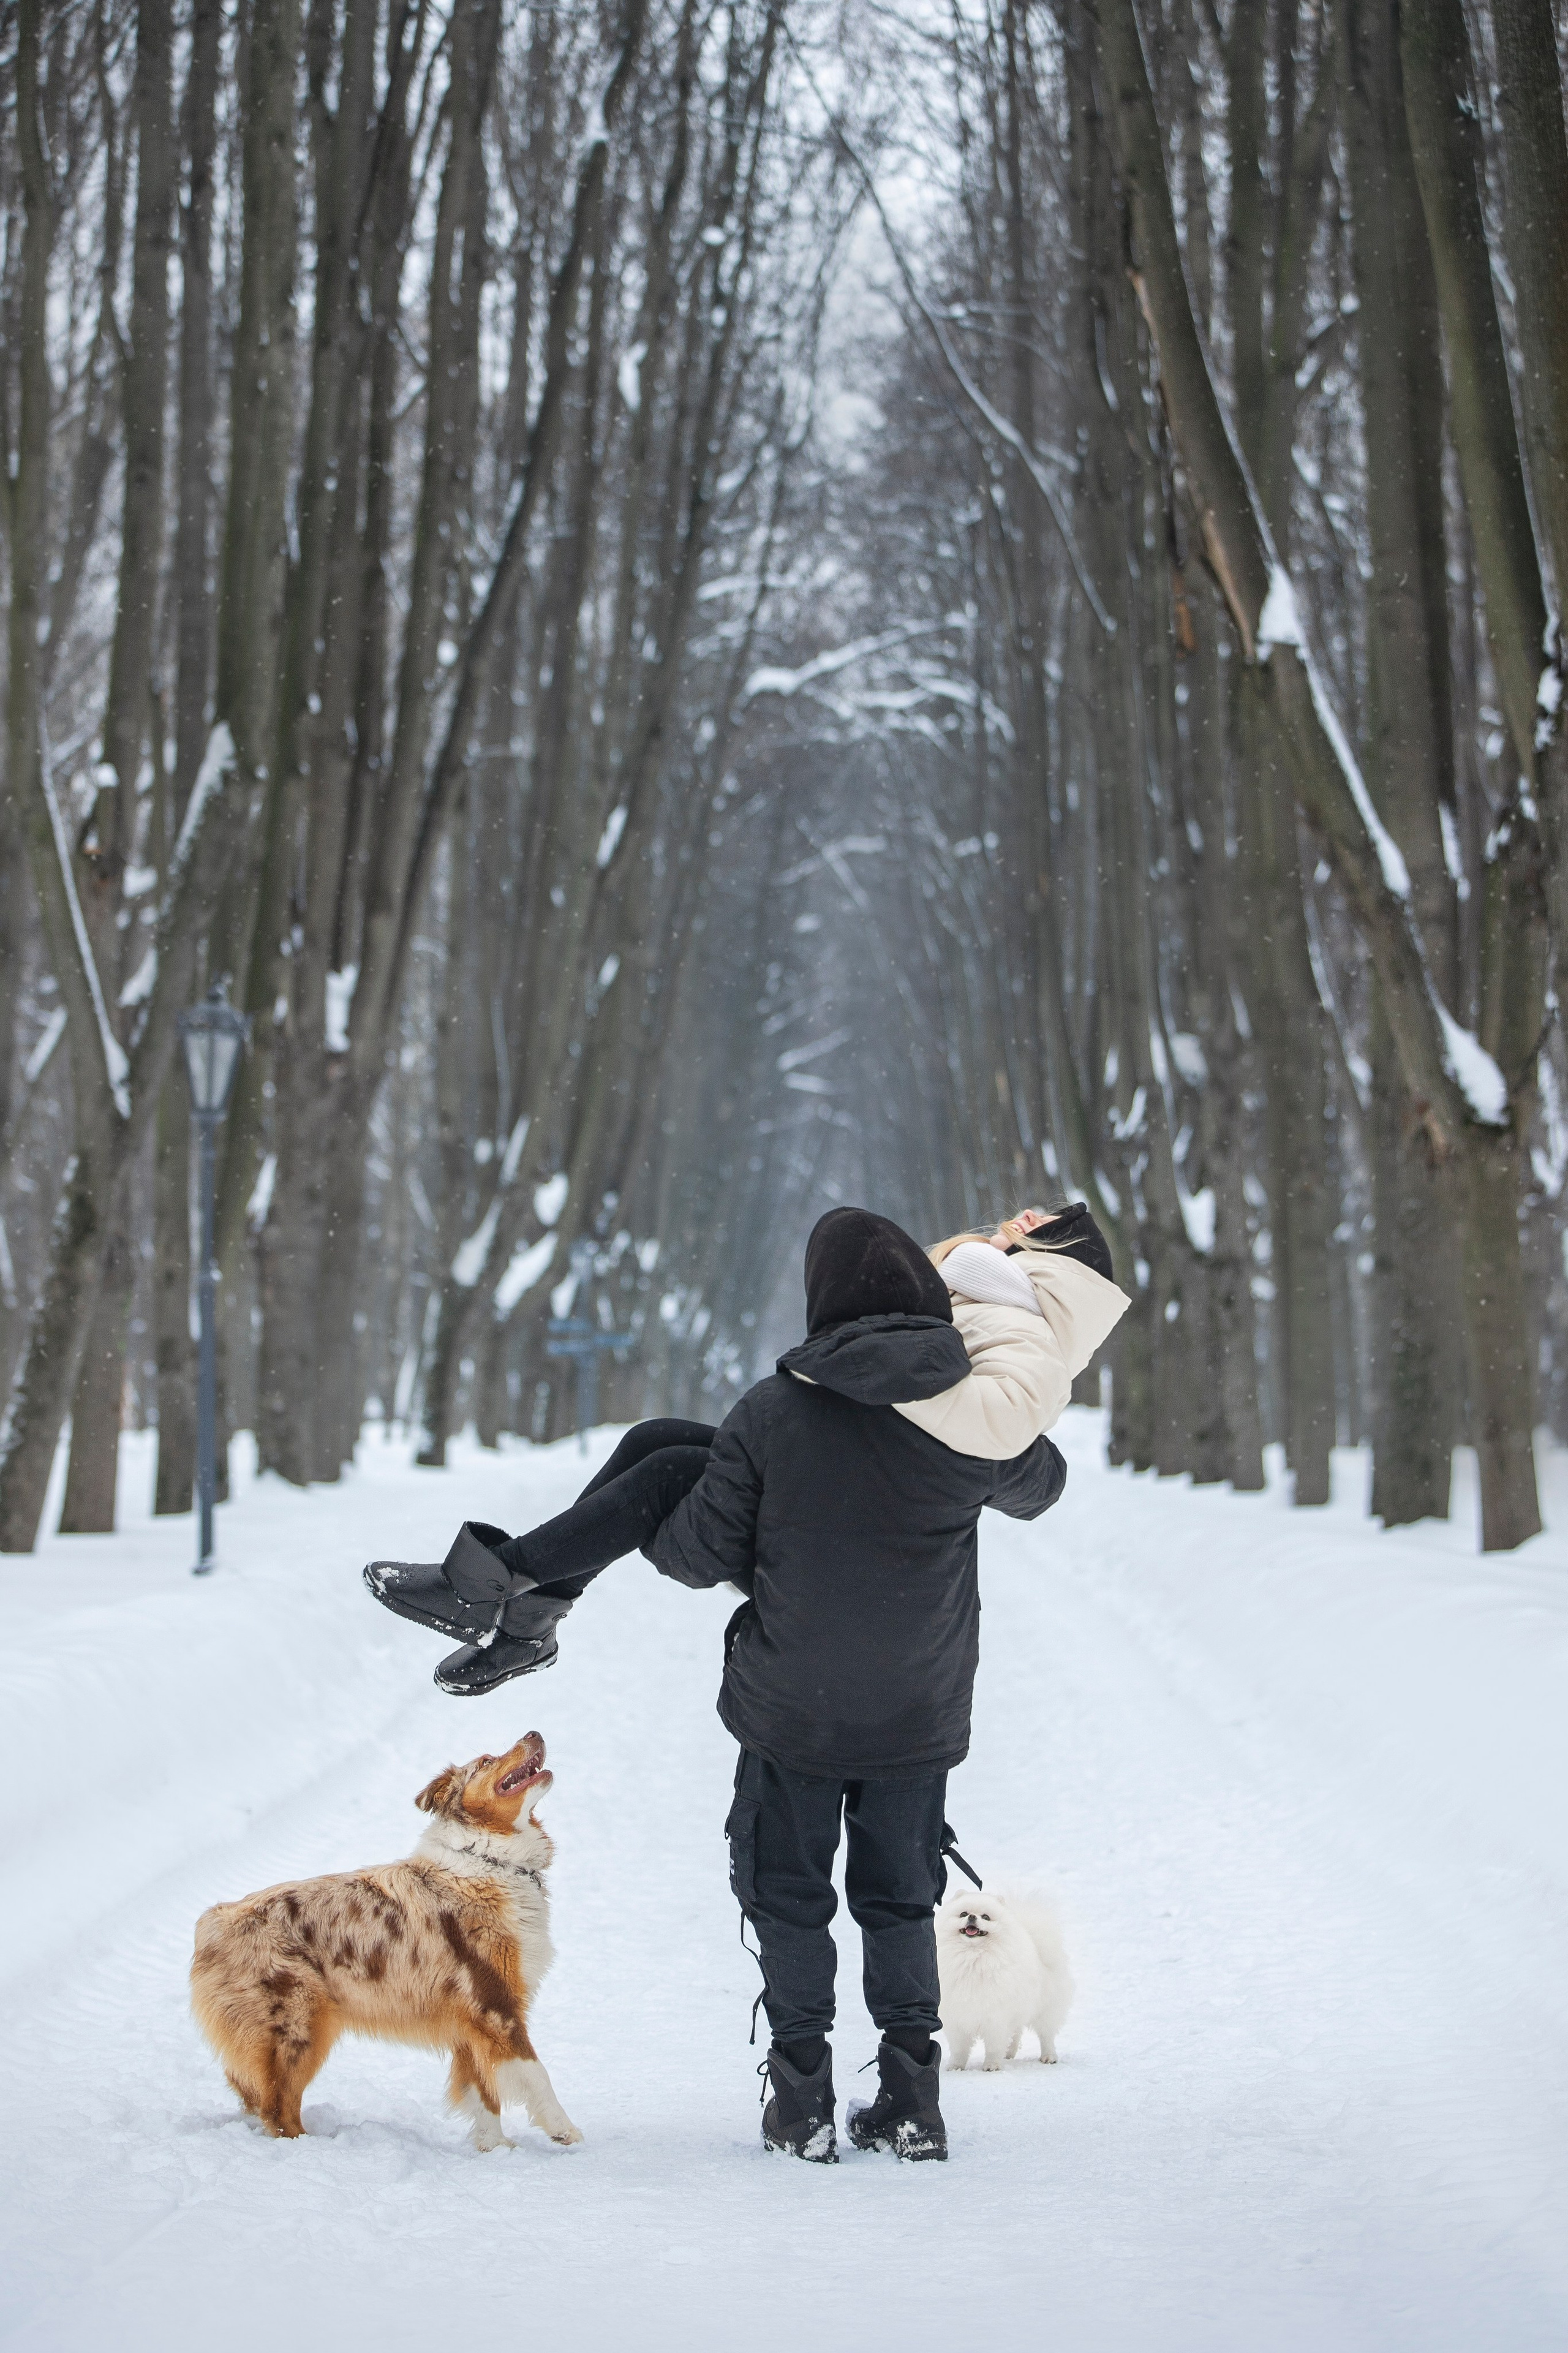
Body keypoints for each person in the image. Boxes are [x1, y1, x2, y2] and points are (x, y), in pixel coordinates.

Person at [365, 1202, 1127, 2163]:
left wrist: (735, 1504)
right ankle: (912, 2099)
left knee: (790, 1896)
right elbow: (1040, 1483)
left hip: (793, 1708)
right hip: (914, 1711)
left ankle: (802, 2102)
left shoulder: (778, 1411)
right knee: (898, 1901)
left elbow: (694, 1555)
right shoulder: (976, 1417)